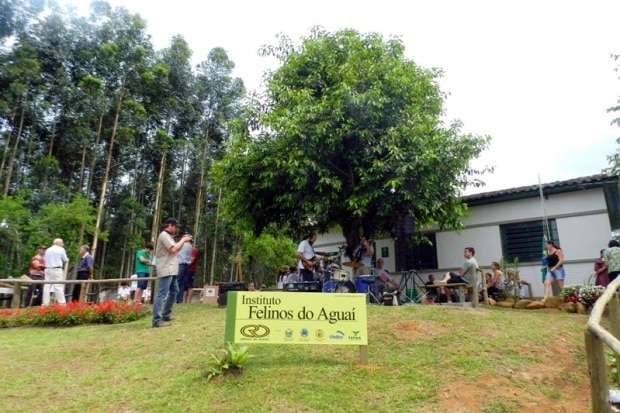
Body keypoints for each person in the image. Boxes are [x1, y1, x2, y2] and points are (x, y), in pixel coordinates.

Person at [152, 218, 192, 328]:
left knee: (175, 291)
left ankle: (165, 314)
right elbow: (173, 249)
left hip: (172, 269)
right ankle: (156, 320)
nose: (176, 229)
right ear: (170, 225)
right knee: (162, 294)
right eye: (175, 227)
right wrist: (183, 240)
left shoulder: (169, 237)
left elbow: (176, 249)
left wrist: (183, 241)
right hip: (166, 268)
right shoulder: (164, 235)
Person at [42, 239, 69, 306]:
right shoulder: (61, 249)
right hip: (56, 269)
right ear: (59, 243)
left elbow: (44, 259)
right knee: (58, 286)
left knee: (46, 286)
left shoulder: (48, 250)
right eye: (62, 243)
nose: (63, 244)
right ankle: (62, 304)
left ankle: (45, 303)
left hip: (47, 269)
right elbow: (65, 259)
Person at [176, 238, 193, 303]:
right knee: (183, 283)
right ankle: (180, 299)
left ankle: (175, 298)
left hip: (180, 264)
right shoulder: (190, 246)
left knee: (177, 281)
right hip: (187, 265)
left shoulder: (182, 244)